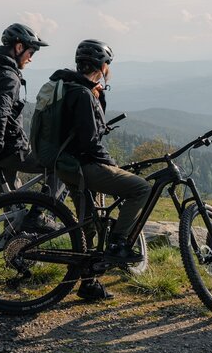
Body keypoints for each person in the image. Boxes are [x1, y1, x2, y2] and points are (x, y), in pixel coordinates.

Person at [44, 39, 151, 301]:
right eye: (108, 65)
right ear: (102, 66)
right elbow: (90, 141)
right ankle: (118, 243)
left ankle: (88, 284)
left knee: (88, 225)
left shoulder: (71, 87)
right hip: (82, 167)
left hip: (65, 165)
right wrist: (110, 165)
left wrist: (99, 96)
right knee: (141, 188)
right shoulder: (81, 95)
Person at [0, 22, 49, 192]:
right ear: (19, 47)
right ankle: (42, 209)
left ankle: (19, 210)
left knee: (12, 201)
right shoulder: (8, 76)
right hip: (6, 149)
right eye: (31, 52)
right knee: (61, 166)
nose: (31, 58)